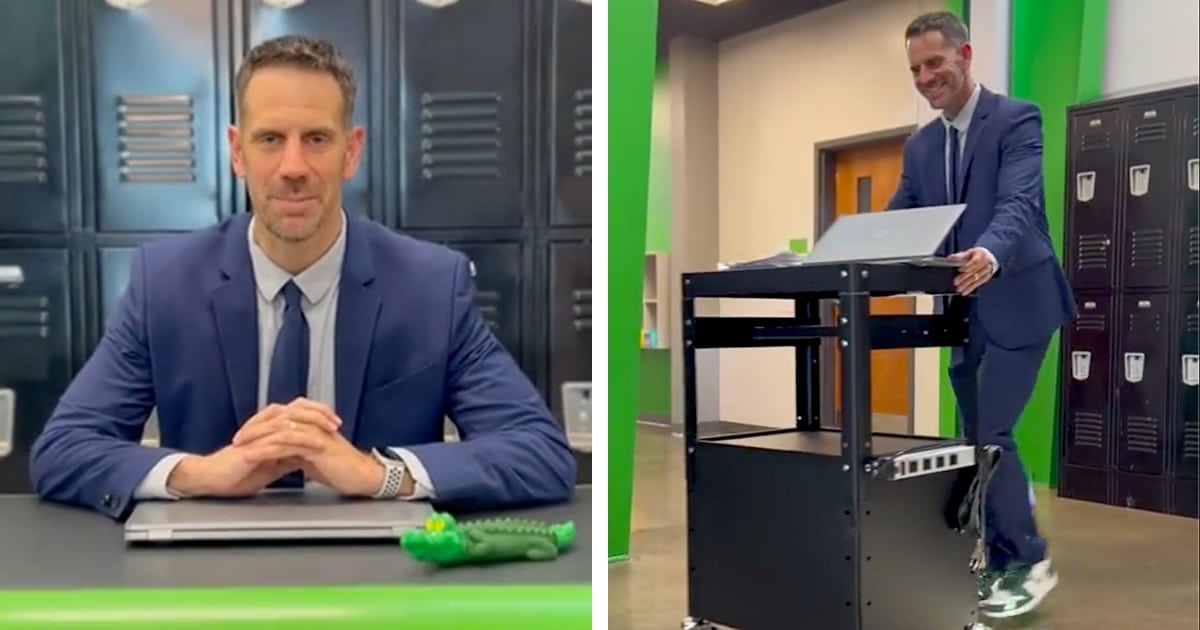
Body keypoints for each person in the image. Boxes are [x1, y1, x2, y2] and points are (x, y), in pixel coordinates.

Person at [29, 35, 576, 520]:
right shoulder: (164, 284)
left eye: (316, 138)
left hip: (388, 578)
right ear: (237, 153)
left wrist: (377, 474)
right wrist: (203, 473)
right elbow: (63, 450)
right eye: (269, 140)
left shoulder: (431, 286)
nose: (293, 167)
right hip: (205, 573)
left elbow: (540, 452)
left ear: (351, 151)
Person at [887, 12, 1076, 620]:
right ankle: (999, 548)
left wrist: (990, 252)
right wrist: (830, 255)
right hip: (965, 314)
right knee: (978, 440)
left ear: (965, 55)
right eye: (915, 68)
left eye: (934, 63)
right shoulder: (922, 146)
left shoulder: (1016, 119)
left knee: (990, 435)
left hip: (1021, 299)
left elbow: (1020, 203)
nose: (925, 77)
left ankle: (1026, 561)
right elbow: (899, 223)